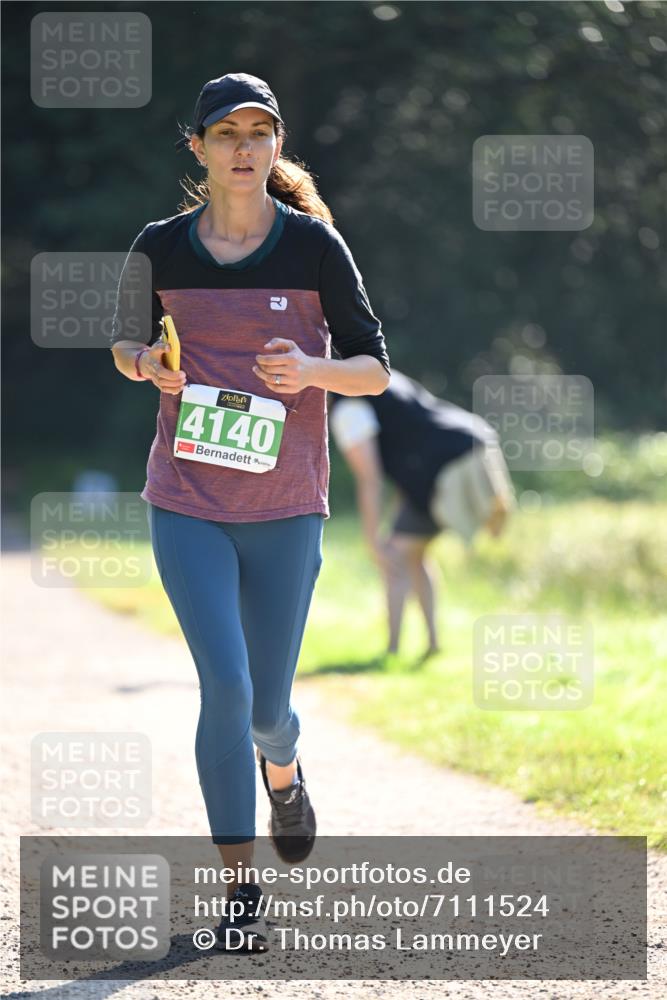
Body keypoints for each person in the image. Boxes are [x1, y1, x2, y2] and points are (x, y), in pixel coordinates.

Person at [110, 72, 390, 951]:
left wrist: (310, 371)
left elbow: (375, 368)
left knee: (268, 707)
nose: (242, 147)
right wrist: (146, 364)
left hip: (284, 506)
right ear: (196, 147)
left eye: (258, 132)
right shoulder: (160, 247)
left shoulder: (313, 249)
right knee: (223, 689)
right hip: (186, 500)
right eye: (224, 132)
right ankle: (241, 892)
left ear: (276, 147)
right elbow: (124, 344)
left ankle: (285, 768)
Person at [328, 370, 514, 659]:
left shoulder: (348, 406)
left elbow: (370, 479)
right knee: (414, 554)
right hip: (469, 444)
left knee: (393, 556)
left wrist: (371, 541)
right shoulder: (374, 373)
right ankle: (431, 644)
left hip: (452, 464)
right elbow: (410, 438)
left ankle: (391, 652)